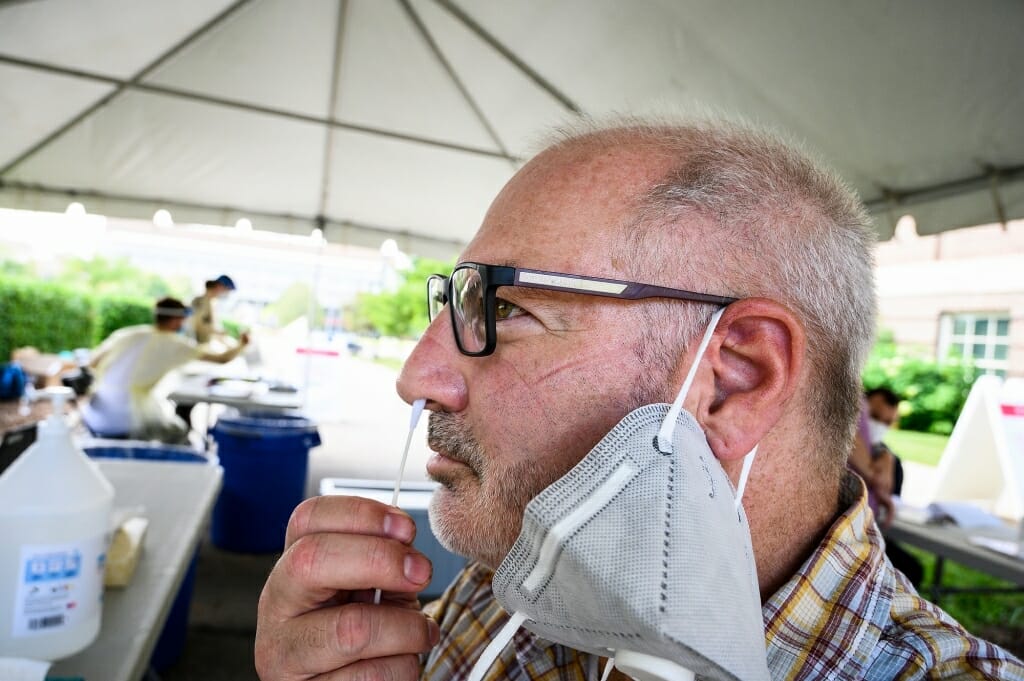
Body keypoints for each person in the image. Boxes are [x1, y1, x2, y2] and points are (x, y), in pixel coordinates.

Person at [254, 119, 1024, 679]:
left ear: (736, 378)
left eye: (505, 308)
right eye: (453, 305)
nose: (417, 375)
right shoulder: (510, 581)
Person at [81, 297, 249, 443]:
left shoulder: (129, 334)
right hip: (127, 418)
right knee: (178, 433)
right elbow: (222, 359)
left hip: (94, 412)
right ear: (176, 320)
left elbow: (93, 362)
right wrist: (242, 344)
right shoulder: (175, 344)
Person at [866, 386, 926, 587]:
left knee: (911, 570)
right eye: (874, 416)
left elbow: (891, 505)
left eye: (887, 422)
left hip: (873, 537)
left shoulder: (891, 462)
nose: (879, 426)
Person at [190, 274, 236, 344]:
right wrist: (217, 332)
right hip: (197, 343)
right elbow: (199, 325)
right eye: (226, 290)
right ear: (219, 287)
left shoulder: (211, 303)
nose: (226, 294)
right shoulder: (200, 301)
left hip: (204, 342)